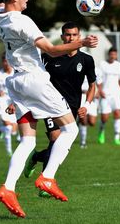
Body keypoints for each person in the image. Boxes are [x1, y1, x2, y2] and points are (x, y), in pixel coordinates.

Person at [0, 0, 98, 218]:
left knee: (28, 140)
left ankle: (8, 188)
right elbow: (51, 50)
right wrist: (81, 43)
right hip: (34, 81)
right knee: (71, 130)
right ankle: (48, 178)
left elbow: (1, 1)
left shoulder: (0, 16)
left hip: (16, 83)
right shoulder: (23, 22)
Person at [24, 21, 96, 192]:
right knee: (55, 140)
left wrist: (86, 105)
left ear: (79, 36)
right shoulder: (49, 56)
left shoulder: (86, 60)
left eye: (74, 35)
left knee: (59, 147)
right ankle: (45, 184)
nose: (71, 37)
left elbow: (93, 85)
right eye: (67, 35)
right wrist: (18, 101)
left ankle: (36, 157)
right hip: (49, 105)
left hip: (71, 109)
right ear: (62, 36)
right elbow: (33, 78)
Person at [0, 53, 19, 156]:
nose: (6, 63)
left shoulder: (16, 73)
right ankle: (9, 152)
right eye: (4, 61)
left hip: (13, 102)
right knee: (8, 127)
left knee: (14, 131)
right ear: (2, 62)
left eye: (8, 61)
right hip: (2, 102)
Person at [98, 47, 120, 145]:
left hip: (116, 94)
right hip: (105, 94)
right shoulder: (102, 64)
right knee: (104, 117)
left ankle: (117, 137)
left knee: (117, 114)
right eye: (111, 54)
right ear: (109, 55)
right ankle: (101, 131)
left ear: (116, 55)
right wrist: (100, 90)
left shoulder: (118, 65)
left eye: (115, 54)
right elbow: (99, 79)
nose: (113, 56)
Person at [78, 67, 102, 148]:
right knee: (84, 121)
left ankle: (78, 121)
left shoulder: (94, 71)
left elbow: (98, 83)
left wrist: (98, 92)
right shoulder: (78, 68)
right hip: (82, 96)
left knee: (92, 122)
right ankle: (83, 143)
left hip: (92, 97)